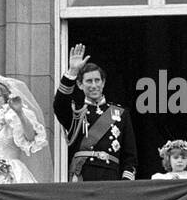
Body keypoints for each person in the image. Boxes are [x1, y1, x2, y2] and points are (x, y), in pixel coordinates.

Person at [53, 44, 136, 181]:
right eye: (89, 81)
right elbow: (59, 105)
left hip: (111, 177)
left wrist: (125, 182)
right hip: (83, 175)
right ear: (80, 85)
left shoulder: (120, 113)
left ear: (103, 83)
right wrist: (73, 72)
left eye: (97, 80)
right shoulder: (76, 112)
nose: (94, 85)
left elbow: (130, 155)